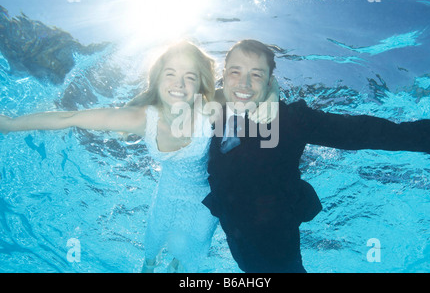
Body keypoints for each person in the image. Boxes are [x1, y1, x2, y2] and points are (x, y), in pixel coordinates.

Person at [0, 40, 278, 272]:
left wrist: (273, 95)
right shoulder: (141, 118)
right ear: (157, 79)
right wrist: (10, 123)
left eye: (189, 77)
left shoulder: (210, 106)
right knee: (152, 246)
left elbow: (252, 84)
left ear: (200, 83)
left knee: (184, 257)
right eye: (170, 74)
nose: (179, 84)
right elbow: (70, 117)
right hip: (168, 192)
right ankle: (148, 266)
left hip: (206, 201)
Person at [202, 39, 430, 273]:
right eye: (235, 72)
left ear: (269, 82)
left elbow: (359, 131)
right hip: (235, 233)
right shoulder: (215, 111)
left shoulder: (290, 120)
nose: (244, 83)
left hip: (276, 246)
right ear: (224, 75)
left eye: (256, 74)